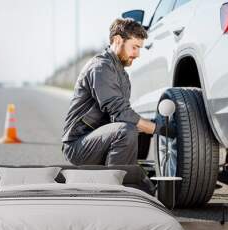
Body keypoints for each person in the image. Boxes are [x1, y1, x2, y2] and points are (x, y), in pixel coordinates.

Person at [61, 18, 174, 166]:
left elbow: (122, 117)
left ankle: (122, 178)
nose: (138, 54)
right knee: (126, 130)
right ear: (118, 40)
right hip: (78, 145)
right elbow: (121, 113)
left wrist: (157, 126)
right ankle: (112, 185)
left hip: (100, 139)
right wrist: (160, 129)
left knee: (143, 185)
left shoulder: (122, 74)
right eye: (134, 47)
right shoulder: (101, 67)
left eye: (139, 48)